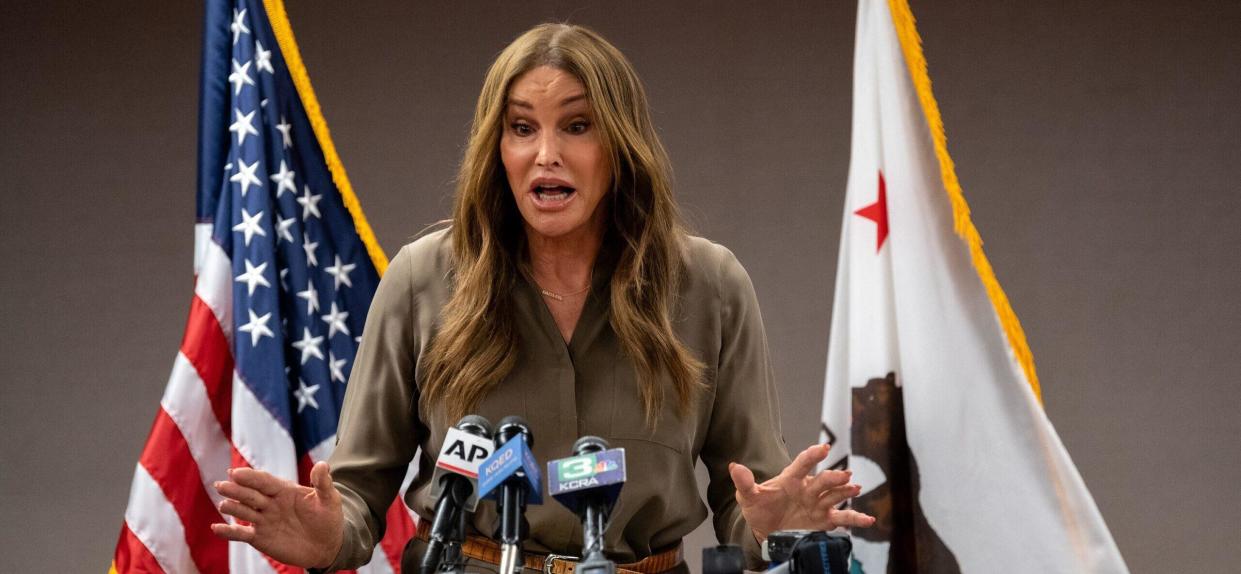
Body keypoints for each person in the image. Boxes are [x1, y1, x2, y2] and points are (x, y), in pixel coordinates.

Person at [211, 23, 874, 573]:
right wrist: (328, 536)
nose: (545, 154)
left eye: (577, 126)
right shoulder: (421, 280)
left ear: (620, 144)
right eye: (522, 128)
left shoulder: (709, 287)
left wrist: (769, 528)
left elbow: (747, 500)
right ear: (496, 148)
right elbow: (355, 497)